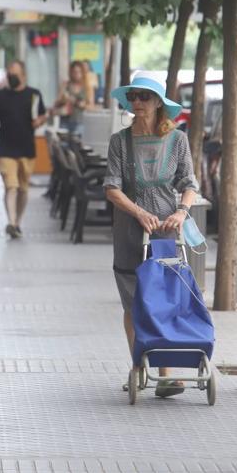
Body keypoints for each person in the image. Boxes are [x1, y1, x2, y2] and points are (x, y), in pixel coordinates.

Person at [103, 74, 198, 398]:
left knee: (163, 297)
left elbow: (189, 184)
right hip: (129, 228)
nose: (137, 102)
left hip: (167, 229)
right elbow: (112, 187)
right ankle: (136, 366)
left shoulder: (178, 140)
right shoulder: (121, 140)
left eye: (144, 96)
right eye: (133, 96)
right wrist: (138, 212)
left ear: (159, 102)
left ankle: (166, 373)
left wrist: (181, 213)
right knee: (132, 302)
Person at [0, 60, 47, 239]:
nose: (11, 77)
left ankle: (18, 221)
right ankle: (11, 222)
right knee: (11, 187)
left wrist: (40, 121)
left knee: (23, 189)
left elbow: (42, 116)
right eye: (9, 74)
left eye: (15, 74)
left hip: (27, 149)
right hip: (6, 149)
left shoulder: (34, 95)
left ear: (24, 75)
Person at [52, 60, 93, 136]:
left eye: (79, 72)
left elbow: (91, 106)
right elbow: (56, 103)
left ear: (82, 72)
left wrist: (81, 104)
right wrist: (63, 100)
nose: (77, 74)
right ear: (71, 72)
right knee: (64, 145)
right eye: (74, 72)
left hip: (80, 121)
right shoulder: (65, 85)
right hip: (65, 120)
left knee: (77, 144)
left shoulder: (87, 87)